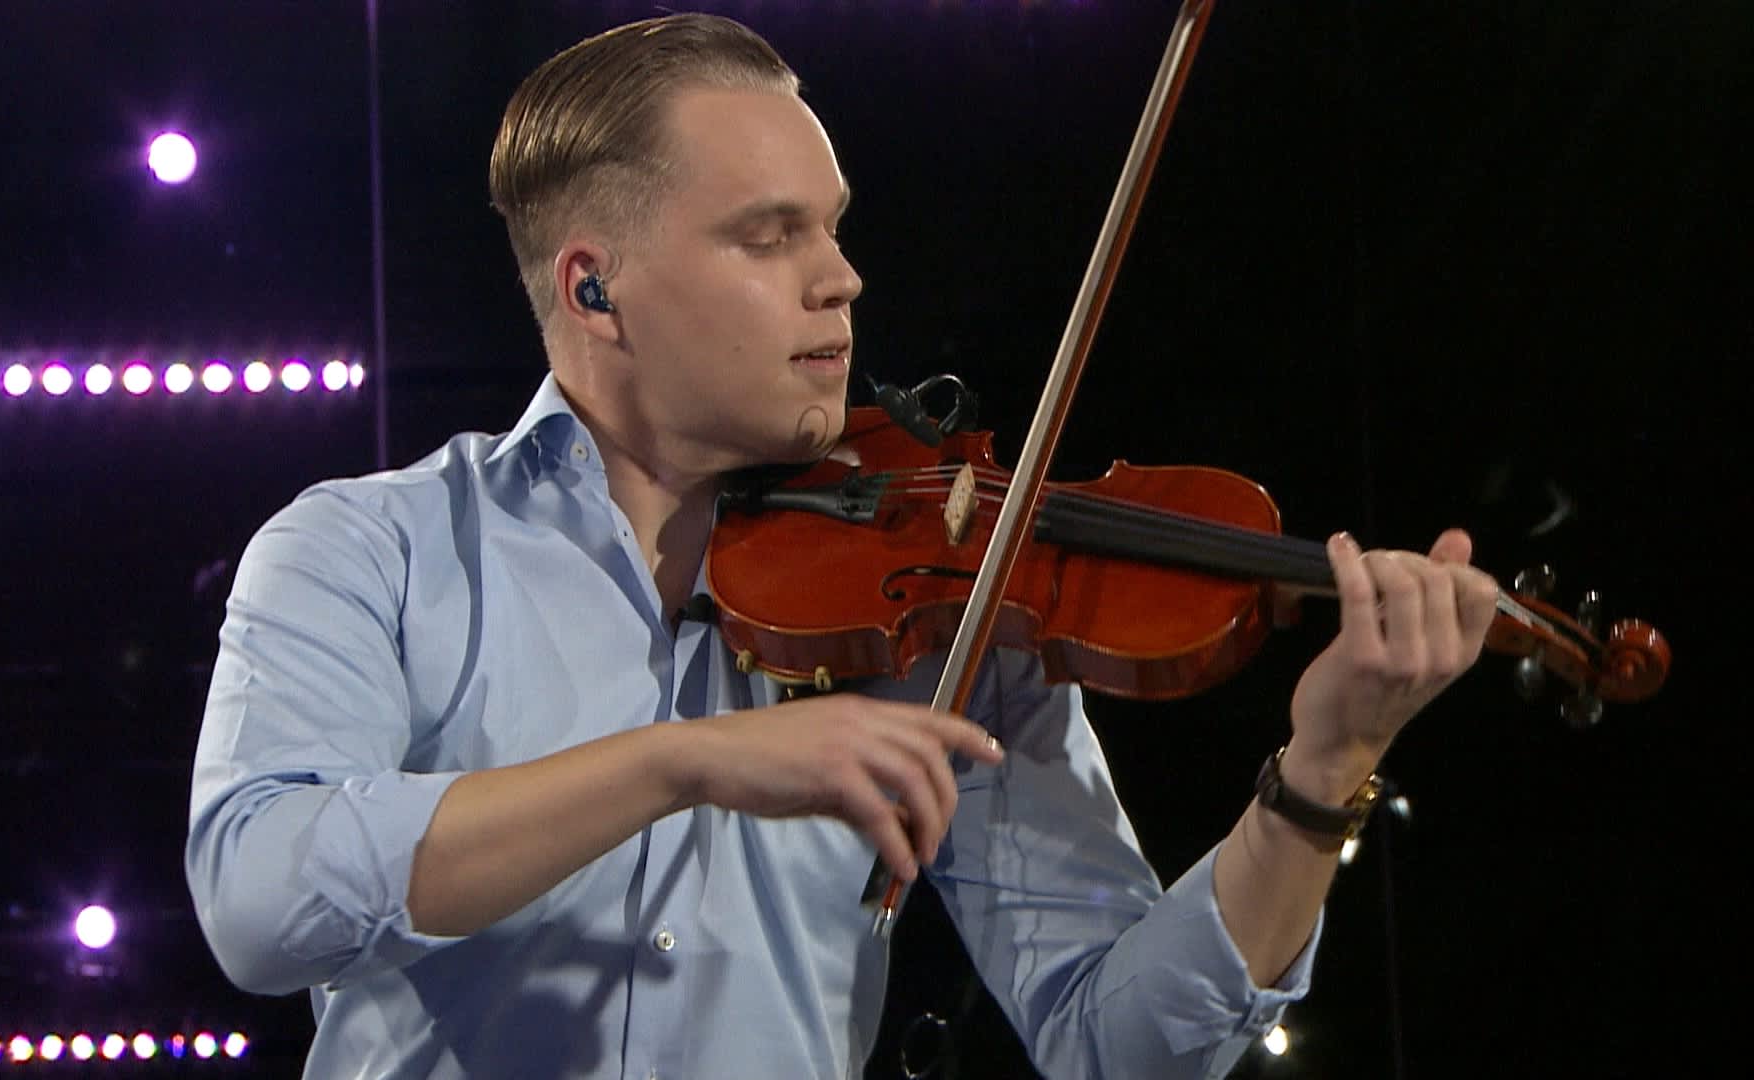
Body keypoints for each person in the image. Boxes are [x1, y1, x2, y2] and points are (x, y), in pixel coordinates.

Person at [184, 13, 1500, 1079]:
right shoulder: (368, 549)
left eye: (832, 225)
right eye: (769, 236)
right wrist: (682, 762)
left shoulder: (948, 604)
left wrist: (1321, 776)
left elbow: (1122, 1045)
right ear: (595, 286)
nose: (842, 277)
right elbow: (259, 898)